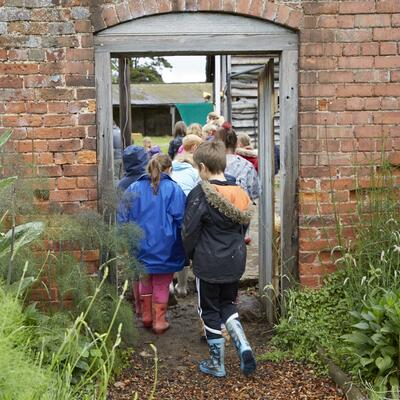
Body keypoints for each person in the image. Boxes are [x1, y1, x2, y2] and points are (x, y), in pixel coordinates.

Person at [182, 141, 257, 378]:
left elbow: (189, 231)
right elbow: (243, 229)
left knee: (209, 310)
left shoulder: (201, 194)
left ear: (203, 167)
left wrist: (188, 256)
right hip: (235, 261)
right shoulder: (240, 193)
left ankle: (217, 363)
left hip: (208, 263)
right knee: (229, 304)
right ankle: (243, 344)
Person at [118, 154, 186, 334]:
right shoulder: (174, 189)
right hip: (167, 247)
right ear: (169, 169)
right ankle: (159, 321)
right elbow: (182, 220)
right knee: (162, 284)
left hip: (139, 245)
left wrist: (126, 242)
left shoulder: (133, 188)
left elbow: (122, 218)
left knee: (144, 279)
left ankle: (146, 317)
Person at [170, 134, 203, 297]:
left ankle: (168, 284)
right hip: (187, 212)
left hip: (168, 213)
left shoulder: (169, 171)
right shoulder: (194, 172)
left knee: (169, 247)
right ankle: (182, 287)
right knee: (185, 249)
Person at [215, 123, 260, 202]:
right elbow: (255, 192)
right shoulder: (246, 165)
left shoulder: (210, 163)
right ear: (236, 144)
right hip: (239, 209)